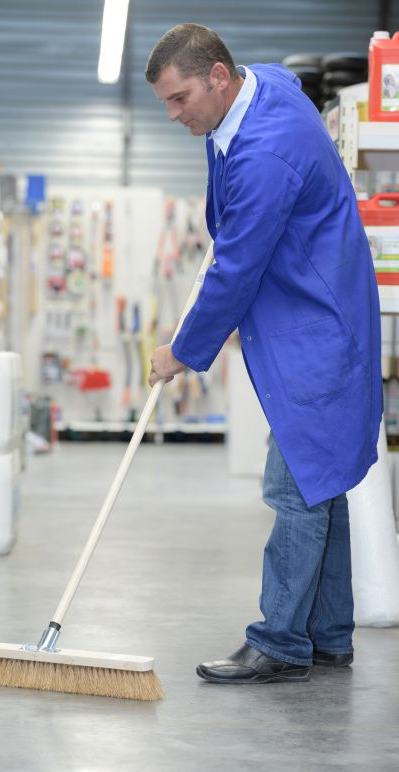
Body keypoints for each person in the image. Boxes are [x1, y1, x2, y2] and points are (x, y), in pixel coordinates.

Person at [145, 24, 382, 684]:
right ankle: (326, 634)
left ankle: (279, 641)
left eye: (180, 98)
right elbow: (283, 76)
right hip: (314, 304)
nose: (174, 115)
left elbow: (237, 270)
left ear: (219, 78)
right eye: (165, 102)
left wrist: (182, 351)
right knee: (324, 478)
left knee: (296, 484)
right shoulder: (267, 87)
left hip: (316, 325)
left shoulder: (264, 155)